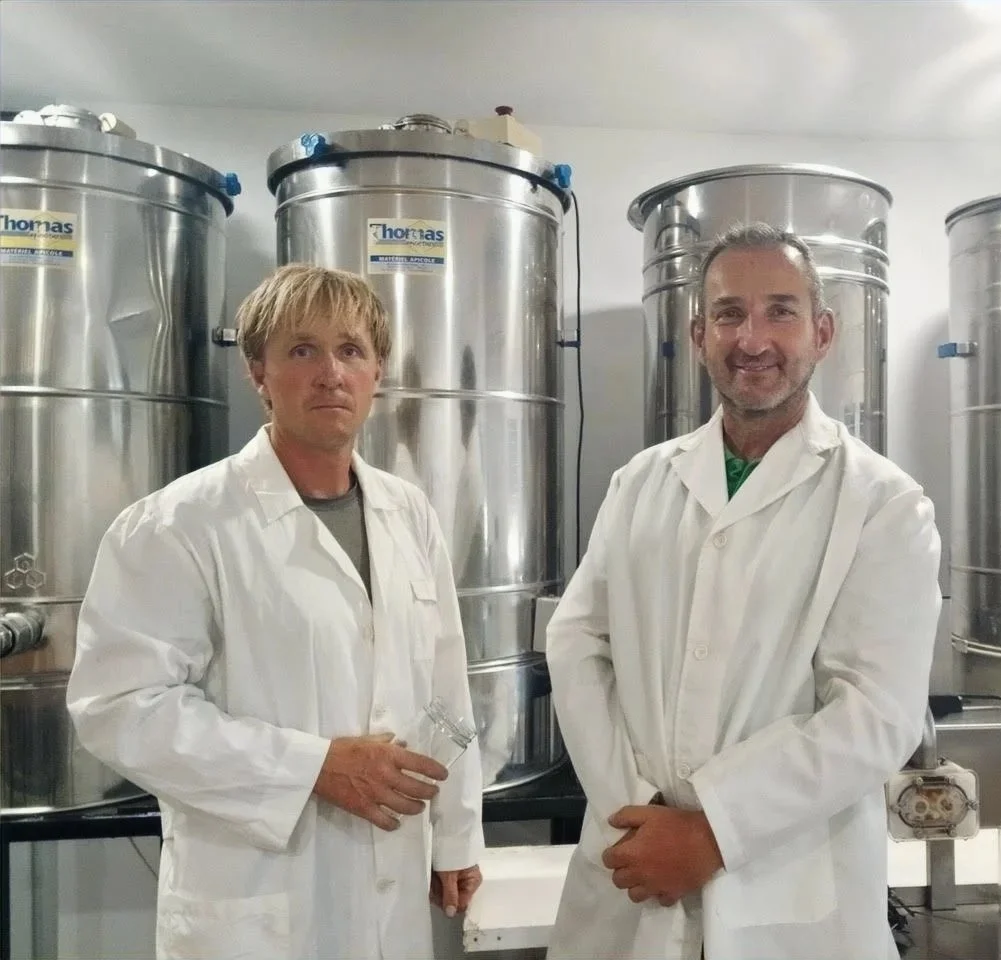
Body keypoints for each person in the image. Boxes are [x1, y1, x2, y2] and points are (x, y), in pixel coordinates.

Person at [545, 223, 941, 960]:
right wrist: (633, 808)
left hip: (790, 893)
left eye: (780, 311)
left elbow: (876, 716)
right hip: (633, 872)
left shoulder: (884, 504)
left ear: (823, 332)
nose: (752, 337)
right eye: (729, 314)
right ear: (698, 334)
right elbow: (575, 641)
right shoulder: (641, 484)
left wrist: (713, 830)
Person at [67, 264, 484, 960]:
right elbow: (119, 708)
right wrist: (311, 767)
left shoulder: (407, 512)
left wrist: (458, 835)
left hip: (392, 877)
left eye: (351, 350)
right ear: (258, 372)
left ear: (377, 371)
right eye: (302, 350)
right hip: (258, 902)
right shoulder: (178, 525)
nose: (331, 373)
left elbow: (448, 683)